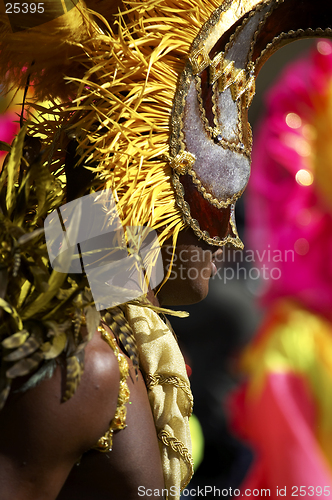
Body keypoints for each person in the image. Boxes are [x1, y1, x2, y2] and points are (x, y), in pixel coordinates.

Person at [0, 1, 332, 499]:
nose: (233, 240)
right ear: (155, 186)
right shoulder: (81, 368)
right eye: (223, 195)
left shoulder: (123, 332)